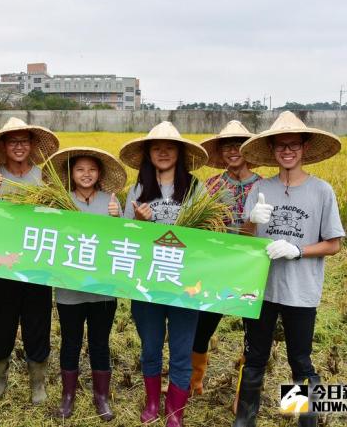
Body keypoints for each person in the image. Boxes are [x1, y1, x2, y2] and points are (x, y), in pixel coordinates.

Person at [233, 111, 344, 427]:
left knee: (300, 360)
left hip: (301, 290)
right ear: (272, 150)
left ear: (304, 148)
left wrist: (298, 250)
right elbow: (244, 238)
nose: (287, 150)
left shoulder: (322, 191)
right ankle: (245, 419)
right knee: (255, 357)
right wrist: (252, 218)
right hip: (261, 288)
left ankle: (304, 419)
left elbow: (333, 244)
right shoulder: (260, 188)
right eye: (281, 145)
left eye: (293, 144)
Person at [120, 121, 209, 427]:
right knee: (150, 346)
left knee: (182, 351)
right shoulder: (138, 188)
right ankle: (152, 401)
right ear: (148, 153)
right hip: (147, 281)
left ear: (180, 153)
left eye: (169, 147)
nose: (163, 152)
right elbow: (125, 236)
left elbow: (209, 235)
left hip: (185, 283)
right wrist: (137, 221)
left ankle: (175, 412)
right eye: (156, 147)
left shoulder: (197, 188)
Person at [0, 117, 59, 404]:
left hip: (36, 263)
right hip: (1, 264)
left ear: (32, 145)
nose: (18, 147)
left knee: (38, 322)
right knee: (0, 323)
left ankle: (37, 383)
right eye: (12, 142)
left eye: (24, 141)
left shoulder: (45, 177)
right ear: (2, 146)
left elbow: (57, 218)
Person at [45, 147, 126, 421]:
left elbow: (125, 242)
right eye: (80, 169)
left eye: (92, 169)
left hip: (103, 289)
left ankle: (101, 397)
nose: (86, 174)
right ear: (71, 174)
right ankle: (68, 397)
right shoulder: (60, 201)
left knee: (100, 342)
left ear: (100, 174)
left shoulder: (111, 201)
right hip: (69, 289)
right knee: (70, 341)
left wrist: (119, 218)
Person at [190, 121, 262, 396]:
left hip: (251, 269)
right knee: (202, 326)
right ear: (220, 152)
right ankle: (195, 382)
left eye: (239, 145)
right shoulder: (210, 185)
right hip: (216, 268)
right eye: (227, 146)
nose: (233, 151)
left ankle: (244, 393)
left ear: (248, 150)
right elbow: (197, 227)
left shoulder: (263, 186)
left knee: (252, 333)